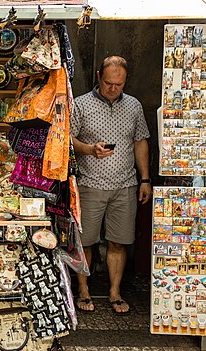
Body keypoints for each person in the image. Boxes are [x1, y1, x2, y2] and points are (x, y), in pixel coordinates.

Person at [70, 56, 151, 315]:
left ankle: (115, 292)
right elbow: (67, 140)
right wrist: (89, 150)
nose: (113, 88)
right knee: (86, 241)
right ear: (98, 76)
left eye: (119, 84)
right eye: (108, 83)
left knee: (119, 241)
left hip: (125, 185)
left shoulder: (134, 106)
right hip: (90, 183)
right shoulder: (80, 104)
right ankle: (83, 290)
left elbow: (140, 142)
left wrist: (145, 179)